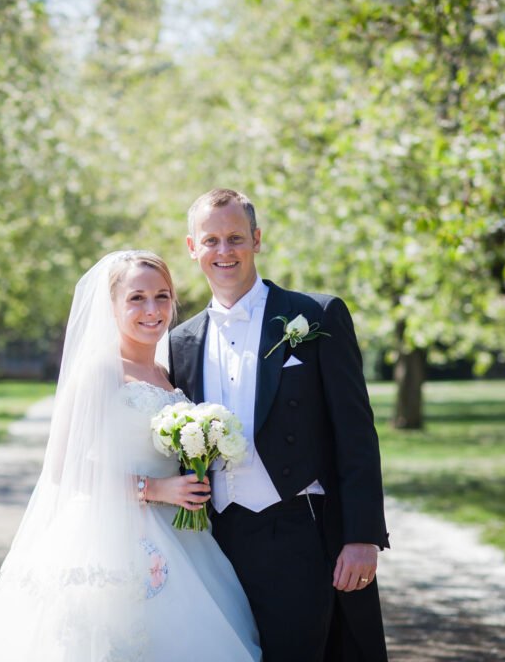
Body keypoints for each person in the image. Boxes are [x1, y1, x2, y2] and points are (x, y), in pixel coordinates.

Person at [0, 250, 261, 662]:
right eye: (136, 298)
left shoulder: (168, 372)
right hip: (111, 534)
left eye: (162, 296)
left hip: (183, 536)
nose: (152, 310)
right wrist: (155, 489)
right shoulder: (100, 371)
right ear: (111, 305)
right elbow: (65, 467)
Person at [168, 189, 389, 662]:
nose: (223, 252)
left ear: (257, 239)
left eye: (235, 238)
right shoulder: (178, 343)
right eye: (210, 241)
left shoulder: (315, 315)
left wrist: (362, 536)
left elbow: (356, 434)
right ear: (192, 248)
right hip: (213, 539)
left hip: (299, 532)